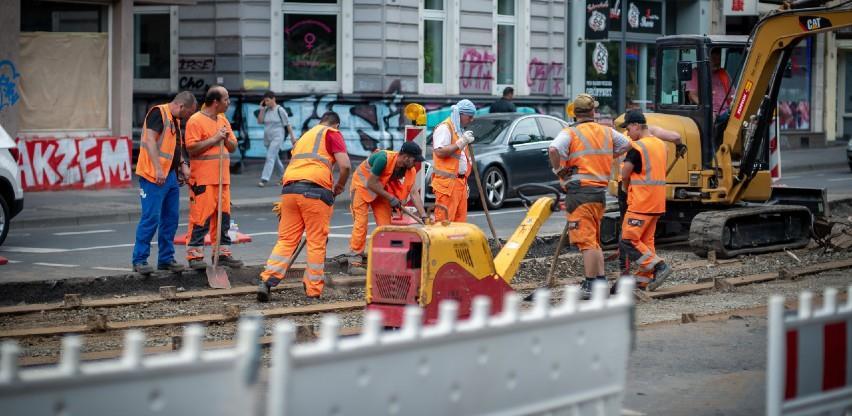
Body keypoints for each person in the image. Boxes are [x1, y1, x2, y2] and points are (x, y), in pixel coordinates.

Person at [257, 111, 351, 301]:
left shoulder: (304, 137)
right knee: (316, 242)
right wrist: (339, 186)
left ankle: (266, 281)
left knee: (286, 240)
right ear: (336, 125)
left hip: (290, 190)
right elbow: (346, 166)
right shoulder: (332, 133)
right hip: (316, 191)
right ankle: (313, 290)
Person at [547, 93, 633, 300]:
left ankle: (591, 283)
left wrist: (559, 171)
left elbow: (553, 149)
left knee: (586, 241)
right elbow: (627, 145)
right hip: (598, 193)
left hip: (579, 192)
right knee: (594, 240)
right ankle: (600, 279)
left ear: (575, 113)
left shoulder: (570, 133)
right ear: (593, 111)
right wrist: (604, 157)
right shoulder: (607, 132)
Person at [131, 91, 198, 274]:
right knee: (151, 217)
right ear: (181, 106)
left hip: (169, 177)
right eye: (188, 113)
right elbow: (149, 140)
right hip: (153, 176)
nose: (188, 118)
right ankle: (139, 260)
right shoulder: (158, 113)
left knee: (170, 219)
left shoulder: (174, 119)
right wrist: (158, 168)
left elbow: (176, 148)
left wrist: (183, 165)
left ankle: (166, 259)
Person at [184, 85, 243, 270]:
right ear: (216, 102)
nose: (229, 102)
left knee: (224, 218)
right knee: (200, 218)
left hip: (222, 179)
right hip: (203, 179)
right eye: (226, 99)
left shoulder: (223, 119)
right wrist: (214, 138)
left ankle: (223, 253)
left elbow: (233, 146)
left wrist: (225, 138)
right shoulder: (195, 121)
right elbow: (191, 148)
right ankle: (195, 256)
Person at [346, 141, 428, 273]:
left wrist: (423, 215)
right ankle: (354, 261)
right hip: (361, 187)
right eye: (414, 160)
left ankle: (383, 257)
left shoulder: (409, 170)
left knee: (385, 227)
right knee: (361, 223)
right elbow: (371, 183)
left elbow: (413, 192)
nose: (416, 163)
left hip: (380, 190)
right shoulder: (383, 159)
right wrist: (391, 198)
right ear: (406, 157)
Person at [618, 110, 674, 291]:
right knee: (646, 241)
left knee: (628, 240)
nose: (627, 133)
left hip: (641, 202)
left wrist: (625, 187)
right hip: (657, 201)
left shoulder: (638, 148)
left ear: (636, 125)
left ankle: (659, 266)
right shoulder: (661, 145)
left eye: (628, 128)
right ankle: (644, 278)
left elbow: (625, 172)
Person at [431, 99, 476, 223]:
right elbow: (439, 152)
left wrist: (464, 181)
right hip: (447, 186)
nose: (471, 120)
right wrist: (461, 142)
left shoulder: (459, 130)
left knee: (459, 223)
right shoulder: (445, 128)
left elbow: (461, 158)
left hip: (459, 184)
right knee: (444, 224)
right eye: (470, 116)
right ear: (460, 114)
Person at [256, 91, 296, 187]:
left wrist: (292, 137)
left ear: (273, 99)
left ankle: (264, 179)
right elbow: (260, 121)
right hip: (267, 137)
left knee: (270, 156)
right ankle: (283, 177)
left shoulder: (280, 110)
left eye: (268, 100)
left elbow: (287, 124)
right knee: (275, 157)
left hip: (278, 136)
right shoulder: (265, 110)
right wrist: (261, 109)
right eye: (265, 101)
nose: (266, 103)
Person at [686, 48, 732, 116]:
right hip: (707, 114)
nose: (717, 62)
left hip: (725, 112)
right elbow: (692, 95)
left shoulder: (723, 73)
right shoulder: (696, 73)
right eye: (714, 59)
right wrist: (708, 110)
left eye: (718, 59)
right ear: (706, 60)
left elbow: (731, 95)